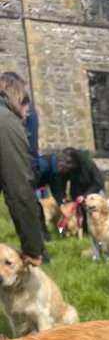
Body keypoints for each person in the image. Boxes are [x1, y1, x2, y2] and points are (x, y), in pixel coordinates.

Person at [0, 73, 44, 265]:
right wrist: (33, 249)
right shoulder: (6, 123)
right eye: (27, 107)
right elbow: (19, 191)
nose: (28, 114)